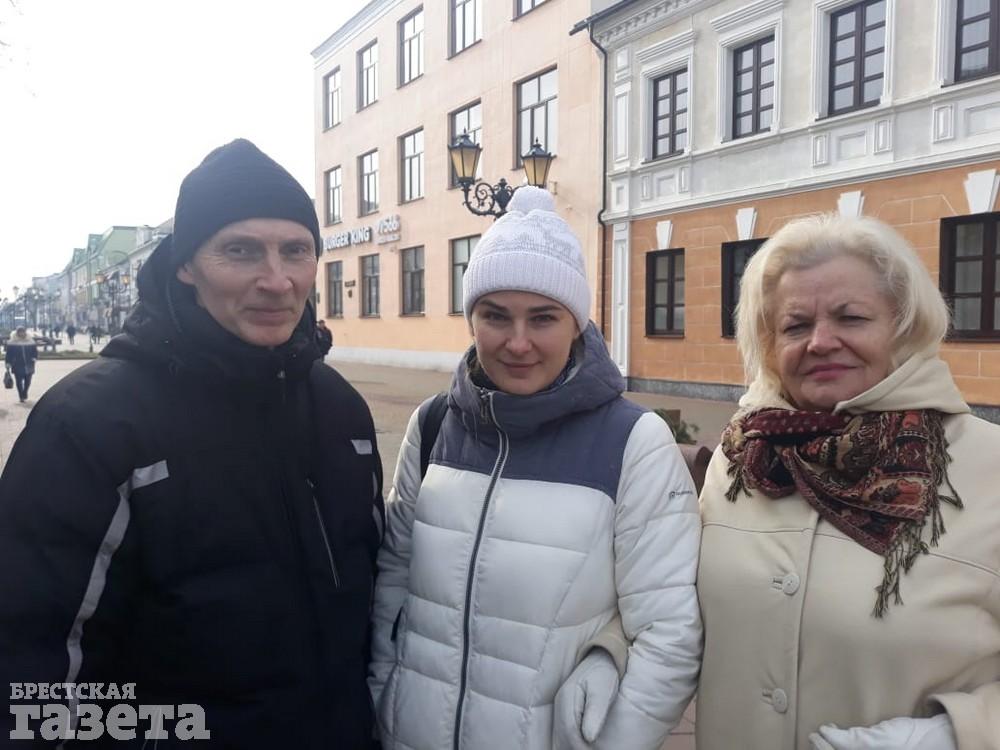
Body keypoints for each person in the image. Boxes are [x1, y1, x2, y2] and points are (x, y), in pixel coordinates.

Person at [0, 139, 384, 748]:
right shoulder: (91, 423)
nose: (277, 280)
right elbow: (31, 660)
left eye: (296, 250)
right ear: (185, 266)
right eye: (241, 251)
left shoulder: (341, 410)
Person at [368, 187, 702, 750]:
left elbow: (669, 633)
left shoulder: (632, 441)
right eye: (495, 316)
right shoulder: (432, 425)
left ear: (576, 325)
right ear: (472, 320)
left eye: (543, 318)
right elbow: (392, 586)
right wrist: (385, 700)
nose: (518, 343)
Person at [694, 214, 1000, 750]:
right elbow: (670, 605)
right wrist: (611, 651)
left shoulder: (989, 464)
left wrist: (957, 734)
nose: (820, 342)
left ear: (903, 327)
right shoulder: (742, 460)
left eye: (851, 317)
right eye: (795, 326)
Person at [4, 326, 38, 403]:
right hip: (17, 364)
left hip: (29, 364)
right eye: (20, 332)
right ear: (17, 332)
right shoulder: (12, 342)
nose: (21, 333)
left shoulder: (30, 341)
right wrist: (8, 363)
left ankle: (25, 391)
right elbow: (8, 354)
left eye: (23, 331)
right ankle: (21, 396)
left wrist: (34, 358)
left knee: (28, 381)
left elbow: (35, 351)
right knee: (19, 381)